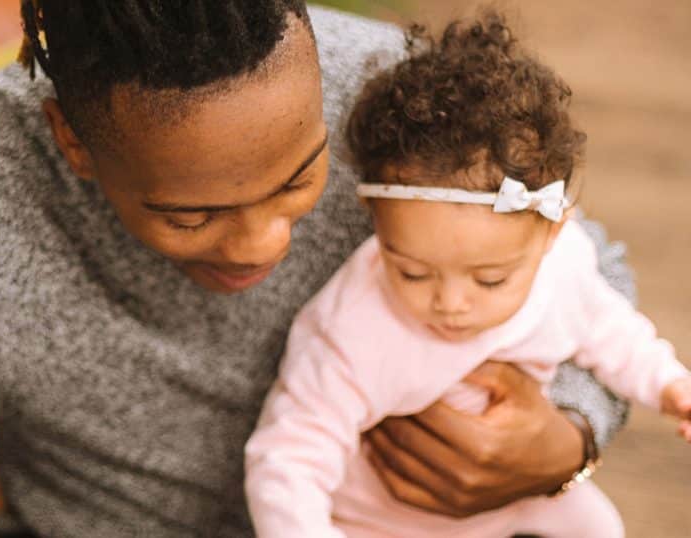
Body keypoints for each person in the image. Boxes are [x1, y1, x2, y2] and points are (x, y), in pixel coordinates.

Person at [0, 2, 631, 536]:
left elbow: (589, 273)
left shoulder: (399, 103)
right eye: (189, 213)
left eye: (302, 176)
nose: (262, 245)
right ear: (71, 141)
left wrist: (567, 441)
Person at [244, 12, 691, 538]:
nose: (451, 303)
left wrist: (669, 386)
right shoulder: (350, 325)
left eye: (490, 280)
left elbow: (612, 332)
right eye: (411, 272)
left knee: (599, 525)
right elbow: (288, 460)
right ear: (378, 229)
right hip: (376, 520)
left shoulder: (564, 266)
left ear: (551, 234)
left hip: (517, 500)